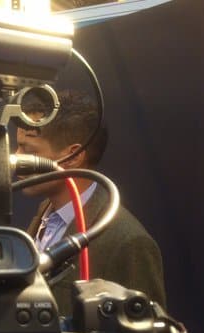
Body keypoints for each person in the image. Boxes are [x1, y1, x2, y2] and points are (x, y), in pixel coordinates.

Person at [15, 90, 166, 316]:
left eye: (28, 150)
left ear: (74, 156)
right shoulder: (45, 213)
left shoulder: (128, 243)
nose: (16, 157)